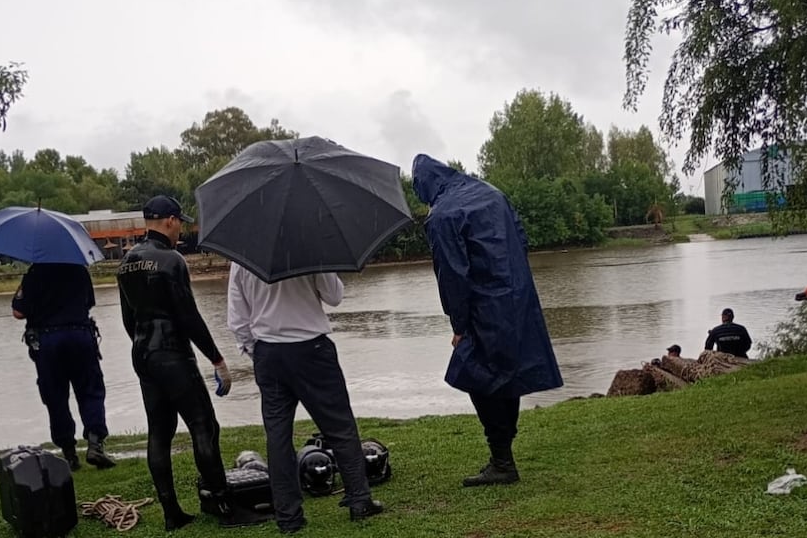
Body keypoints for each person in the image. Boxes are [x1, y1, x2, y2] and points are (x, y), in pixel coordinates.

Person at [411, 154, 564, 487]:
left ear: (424, 185)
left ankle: (502, 460)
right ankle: (504, 448)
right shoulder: (492, 193)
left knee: (476, 375)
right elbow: (521, 241)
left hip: (484, 306)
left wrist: (459, 326)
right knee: (506, 370)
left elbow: (452, 275)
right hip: (518, 296)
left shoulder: (442, 215)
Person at [227, 263, 384, 534]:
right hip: (311, 348)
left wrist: (256, 351)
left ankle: (288, 516)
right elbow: (334, 297)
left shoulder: (242, 257)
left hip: (269, 351)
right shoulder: (310, 248)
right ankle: (359, 499)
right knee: (339, 427)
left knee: (278, 436)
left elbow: (238, 318)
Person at [117, 195, 238, 530]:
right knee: (204, 426)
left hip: (142, 352)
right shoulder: (171, 260)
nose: (180, 229)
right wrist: (216, 358)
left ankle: (171, 512)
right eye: (180, 222)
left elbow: (129, 319)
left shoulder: (126, 263)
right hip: (171, 351)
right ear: (170, 220)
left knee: (160, 431)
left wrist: (146, 350)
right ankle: (222, 502)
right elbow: (188, 315)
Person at [11, 263, 116, 472]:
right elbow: (89, 303)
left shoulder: (34, 273)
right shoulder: (79, 269)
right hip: (80, 336)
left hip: (47, 341)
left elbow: (18, 312)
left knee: (55, 396)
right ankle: (95, 444)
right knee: (90, 391)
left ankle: (69, 454)